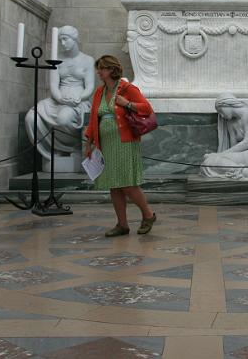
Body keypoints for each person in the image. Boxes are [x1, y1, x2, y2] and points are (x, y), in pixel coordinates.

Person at [84, 55, 156, 236]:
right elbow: (94, 119)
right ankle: (122, 224)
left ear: (110, 70)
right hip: (106, 143)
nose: (98, 72)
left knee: (127, 183)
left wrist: (128, 104)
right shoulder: (99, 92)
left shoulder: (127, 88)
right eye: (98, 69)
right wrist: (89, 143)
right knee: (114, 185)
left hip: (124, 142)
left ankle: (148, 215)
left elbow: (146, 108)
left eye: (101, 68)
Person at [25, 26, 94, 164]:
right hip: (58, 99)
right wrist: (61, 99)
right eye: (60, 40)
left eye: (65, 39)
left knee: (64, 118)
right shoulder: (56, 60)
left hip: (78, 100)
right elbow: (54, 86)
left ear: (74, 39)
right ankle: (51, 150)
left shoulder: (87, 60)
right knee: (31, 118)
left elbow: (90, 86)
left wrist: (79, 98)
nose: (62, 43)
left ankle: (72, 148)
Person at [200, 93, 248, 180]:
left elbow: (247, 143)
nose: (222, 116)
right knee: (207, 163)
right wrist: (218, 157)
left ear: (226, 104)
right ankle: (247, 172)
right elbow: (233, 149)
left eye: (220, 111)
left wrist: (218, 155)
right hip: (243, 156)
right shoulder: (231, 123)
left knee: (213, 161)